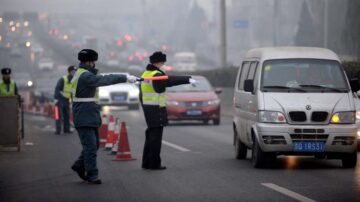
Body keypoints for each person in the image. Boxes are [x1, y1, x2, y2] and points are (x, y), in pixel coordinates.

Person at [70, 49, 138, 184]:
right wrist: (124, 77)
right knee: (90, 147)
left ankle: (79, 165)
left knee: (93, 145)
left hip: (88, 114)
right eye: (94, 62)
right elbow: (104, 79)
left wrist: (124, 77)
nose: (95, 64)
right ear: (90, 62)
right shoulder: (85, 76)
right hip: (84, 115)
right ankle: (92, 175)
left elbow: (102, 78)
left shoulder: (81, 73)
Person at [140, 51, 196, 170]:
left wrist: (145, 107)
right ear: (159, 62)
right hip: (157, 110)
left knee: (150, 136)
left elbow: (141, 95)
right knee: (155, 139)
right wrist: (187, 79)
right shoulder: (156, 74)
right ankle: (154, 164)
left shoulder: (146, 73)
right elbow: (169, 81)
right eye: (163, 62)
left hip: (149, 109)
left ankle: (146, 163)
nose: (164, 64)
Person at [54, 66, 75, 135]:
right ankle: (58, 130)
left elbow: (72, 92)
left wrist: (72, 100)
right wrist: (56, 99)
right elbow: (57, 89)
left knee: (67, 115)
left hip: (66, 100)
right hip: (59, 99)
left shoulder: (74, 80)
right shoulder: (63, 79)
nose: (75, 73)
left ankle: (66, 129)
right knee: (58, 115)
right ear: (70, 72)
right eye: (74, 71)